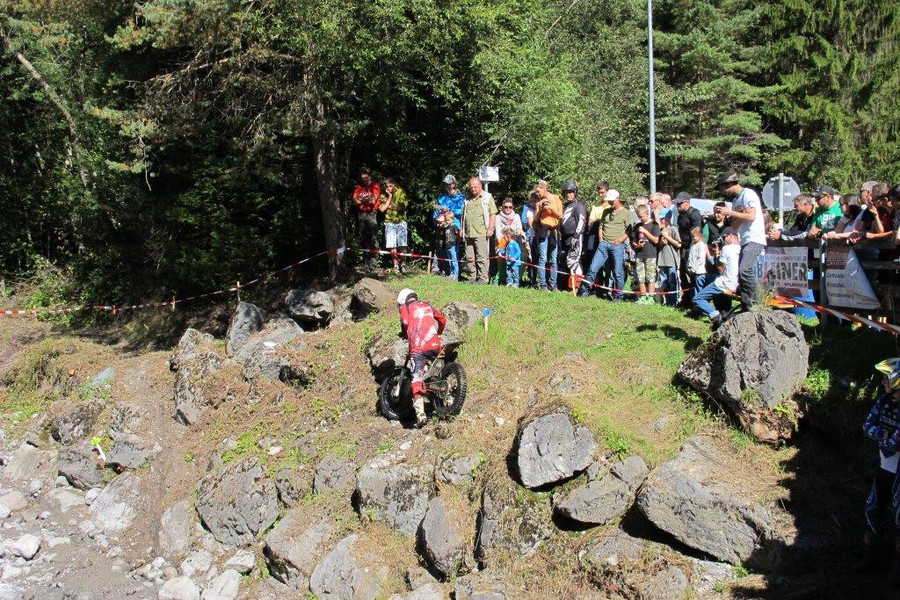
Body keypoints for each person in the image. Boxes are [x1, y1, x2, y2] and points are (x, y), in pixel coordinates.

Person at [858, 358, 900, 581]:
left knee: (899, 517)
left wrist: (882, 436)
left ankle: (897, 568)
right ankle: (874, 556)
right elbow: (867, 426)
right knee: (872, 508)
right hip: (885, 466)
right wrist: (883, 434)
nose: (883, 382)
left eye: (886, 378)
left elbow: (895, 442)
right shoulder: (884, 400)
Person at [716, 171, 767, 313]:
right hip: (744, 240)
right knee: (741, 274)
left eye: (722, 188)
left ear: (729, 184)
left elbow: (751, 216)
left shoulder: (748, 194)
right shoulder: (736, 201)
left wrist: (730, 213)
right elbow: (736, 225)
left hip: (754, 238)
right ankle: (746, 306)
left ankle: (759, 300)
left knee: (745, 270)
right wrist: (728, 221)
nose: (722, 191)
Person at [396, 288, 447, 428]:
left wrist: (405, 333)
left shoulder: (405, 307)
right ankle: (446, 397)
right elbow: (442, 319)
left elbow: (405, 322)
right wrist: (439, 333)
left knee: (416, 379)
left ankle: (421, 416)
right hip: (435, 344)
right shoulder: (427, 305)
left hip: (418, 346)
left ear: (402, 300)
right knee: (436, 371)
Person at [579, 189, 631, 300]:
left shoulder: (626, 213)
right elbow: (601, 226)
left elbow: (629, 230)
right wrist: (601, 239)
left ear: (618, 199)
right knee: (593, 269)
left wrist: (620, 240)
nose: (610, 203)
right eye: (609, 201)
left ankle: (618, 296)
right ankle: (585, 291)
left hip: (617, 246)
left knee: (618, 272)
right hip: (603, 245)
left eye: (612, 201)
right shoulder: (606, 211)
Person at [692, 227, 740, 329]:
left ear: (731, 236)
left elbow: (720, 269)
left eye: (724, 237)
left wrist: (718, 253)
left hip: (724, 283)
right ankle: (725, 315)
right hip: (736, 284)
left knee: (697, 299)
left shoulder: (726, 249)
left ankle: (716, 316)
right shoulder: (741, 248)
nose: (723, 240)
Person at [461, 177, 497, 284]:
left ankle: (483, 278)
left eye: (475, 187)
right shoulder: (466, 199)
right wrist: (462, 229)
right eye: (471, 187)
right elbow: (463, 215)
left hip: (481, 232)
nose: (473, 189)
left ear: (480, 186)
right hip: (468, 232)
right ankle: (472, 277)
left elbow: (493, 214)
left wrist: (490, 228)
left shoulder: (487, 197)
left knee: (481, 256)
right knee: (469, 257)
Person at [533, 180, 563, 291]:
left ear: (545, 189)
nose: (537, 193)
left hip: (554, 231)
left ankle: (553, 284)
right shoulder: (538, 202)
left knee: (553, 259)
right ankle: (543, 284)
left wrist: (550, 208)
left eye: (538, 191)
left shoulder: (556, 198)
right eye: (536, 192)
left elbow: (560, 215)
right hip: (543, 230)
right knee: (543, 258)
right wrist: (540, 209)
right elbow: (535, 219)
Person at [434, 175, 465, 280]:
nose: (447, 186)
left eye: (449, 183)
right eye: (446, 184)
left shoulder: (460, 197)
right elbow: (436, 211)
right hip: (442, 226)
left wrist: (449, 210)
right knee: (445, 250)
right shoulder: (442, 197)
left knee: (453, 250)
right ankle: (448, 271)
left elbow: (462, 211)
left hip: (454, 226)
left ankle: (456, 274)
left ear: (454, 184)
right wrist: (437, 217)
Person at [560, 180, 588, 291]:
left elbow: (581, 220)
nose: (568, 195)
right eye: (566, 193)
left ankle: (575, 288)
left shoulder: (579, 205)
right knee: (570, 261)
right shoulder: (567, 206)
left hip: (575, 237)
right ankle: (572, 287)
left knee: (574, 261)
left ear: (575, 192)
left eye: (570, 192)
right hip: (566, 238)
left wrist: (576, 236)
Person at [675, 192, 702, 304]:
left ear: (687, 202)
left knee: (692, 273)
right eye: (677, 203)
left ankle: (695, 299)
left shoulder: (694, 213)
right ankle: (686, 298)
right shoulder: (680, 214)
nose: (678, 205)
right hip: (682, 247)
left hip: (692, 248)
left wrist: (692, 250)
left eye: (680, 203)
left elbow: (697, 231)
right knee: (682, 273)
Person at [353, 168, 381, 271]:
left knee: (372, 237)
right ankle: (365, 263)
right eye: (362, 178)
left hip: (371, 213)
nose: (364, 180)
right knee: (363, 238)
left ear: (369, 176)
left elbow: (373, 200)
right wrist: (364, 200)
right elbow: (355, 202)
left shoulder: (375, 186)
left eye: (365, 177)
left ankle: (373, 264)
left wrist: (361, 199)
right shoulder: (359, 188)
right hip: (361, 214)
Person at [631, 204, 660, 304]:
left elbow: (656, 240)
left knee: (650, 277)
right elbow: (633, 241)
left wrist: (645, 231)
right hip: (639, 255)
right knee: (640, 277)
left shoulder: (654, 225)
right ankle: (643, 296)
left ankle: (651, 297)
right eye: (638, 217)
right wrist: (637, 245)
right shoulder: (637, 226)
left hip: (650, 254)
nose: (640, 219)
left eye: (641, 216)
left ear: (647, 213)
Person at [379, 178, 408, 274]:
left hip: (401, 221)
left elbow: (402, 207)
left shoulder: (401, 192)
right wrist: (390, 197)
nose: (389, 188)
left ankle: (403, 265)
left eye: (390, 186)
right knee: (392, 245)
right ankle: (395, 266)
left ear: (394, 185)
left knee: (402, 244)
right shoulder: (383, 195)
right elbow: (382, 209)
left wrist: (389, 206)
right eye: (387, 186)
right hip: (389, 222)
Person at [494, 198, 524, 285]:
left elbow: (519, 229)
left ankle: (516, 280)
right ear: (502, 207)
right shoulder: (498, 217)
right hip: (502, 241)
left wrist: (513, 239)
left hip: (514, 241)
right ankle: (502, 279)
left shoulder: (516, 216)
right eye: (506, 207)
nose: (508, 209)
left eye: (510, 207)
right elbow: (498, 232)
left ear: (512, 207)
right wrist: (502, 246)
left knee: (516, 261)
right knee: (501, 260)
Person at [657, 210, 682, 306]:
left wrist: (667, 237)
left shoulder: (673, 229)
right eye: (661, 219)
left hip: (672, 260)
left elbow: (679, 244)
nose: (662, 221)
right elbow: (658, 246)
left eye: (663, 219)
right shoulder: (660, 231)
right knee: (664, 282)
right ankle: (667, 301)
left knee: (672, 282)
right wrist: (661, 242)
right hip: (662, 260)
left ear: (668, 218)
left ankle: (673, 302)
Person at [687, 226, 709, 295]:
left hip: (699, 272)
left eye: (694, 236)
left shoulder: (701, 245)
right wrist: (689, 266)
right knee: (694, 289)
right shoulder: (693, 245)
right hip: (693, 272)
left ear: (699, 236)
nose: (692, 238)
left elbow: (700, 259)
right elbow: (690, 257)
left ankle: (699, 300)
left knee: (699, 290)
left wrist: (694, 268)